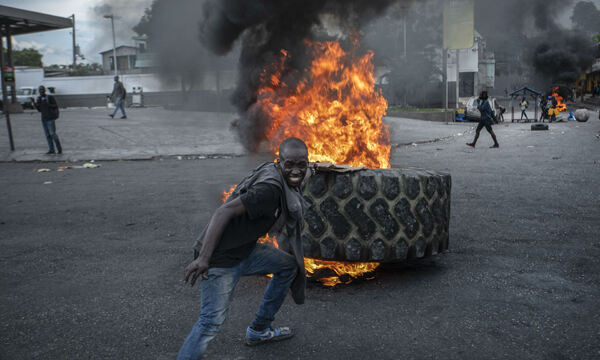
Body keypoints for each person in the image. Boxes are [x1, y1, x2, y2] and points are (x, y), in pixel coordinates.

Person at [177, 138, 311, 360]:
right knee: (210, 322)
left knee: (288, 266)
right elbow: (222, 212)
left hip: (245, 250)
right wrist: (203, 258)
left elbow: (301, 174)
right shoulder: (268, 190)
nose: (296, 170)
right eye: (290, 164)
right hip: (220, 258)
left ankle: (259, 330)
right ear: (280, 163)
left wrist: (310, 169)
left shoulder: (280, 172)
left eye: (302, 164)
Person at [34, 85, 62, 154]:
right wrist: (34, 103)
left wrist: (48, 103)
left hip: (50, 118)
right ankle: (51, 150)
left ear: (45, 90)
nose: (41, 91)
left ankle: (59, 149)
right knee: (47, 135)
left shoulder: (49, 97)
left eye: (42, 90)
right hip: (44, 119)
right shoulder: (39, 98)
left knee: (52, 134)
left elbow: (55, 106)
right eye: (40, 90)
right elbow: (39, 110)